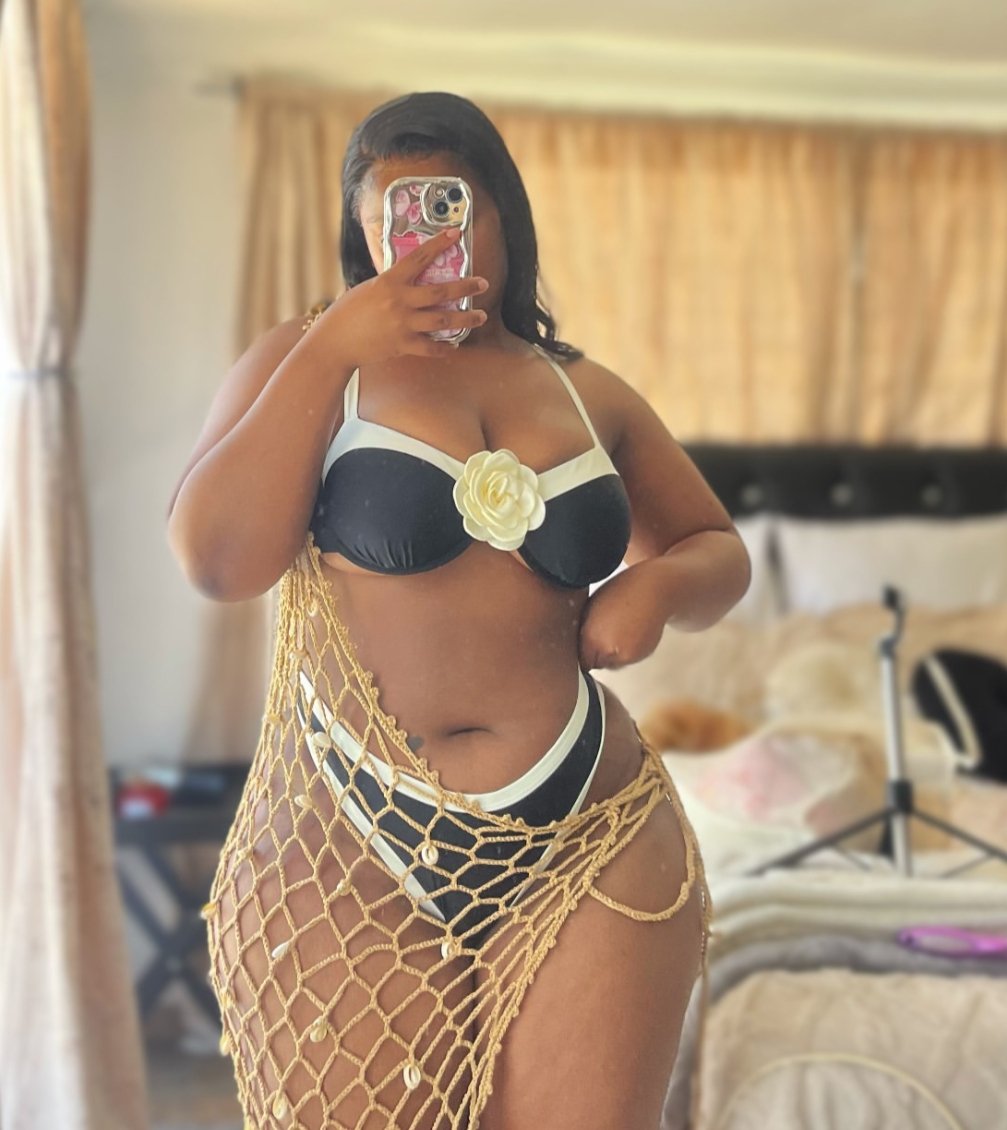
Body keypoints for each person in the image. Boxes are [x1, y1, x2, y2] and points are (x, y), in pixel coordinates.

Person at [167, 90, 750, 1130]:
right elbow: (217, 559)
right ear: (361, 235)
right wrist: (329, 348)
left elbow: (717, 547)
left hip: (592, 821)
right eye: (395, 217)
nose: (428, 239)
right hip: (351, 829)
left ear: (502, 218)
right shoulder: (309, 359)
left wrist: (654, 590)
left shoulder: (585, 390)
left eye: (451, 207)